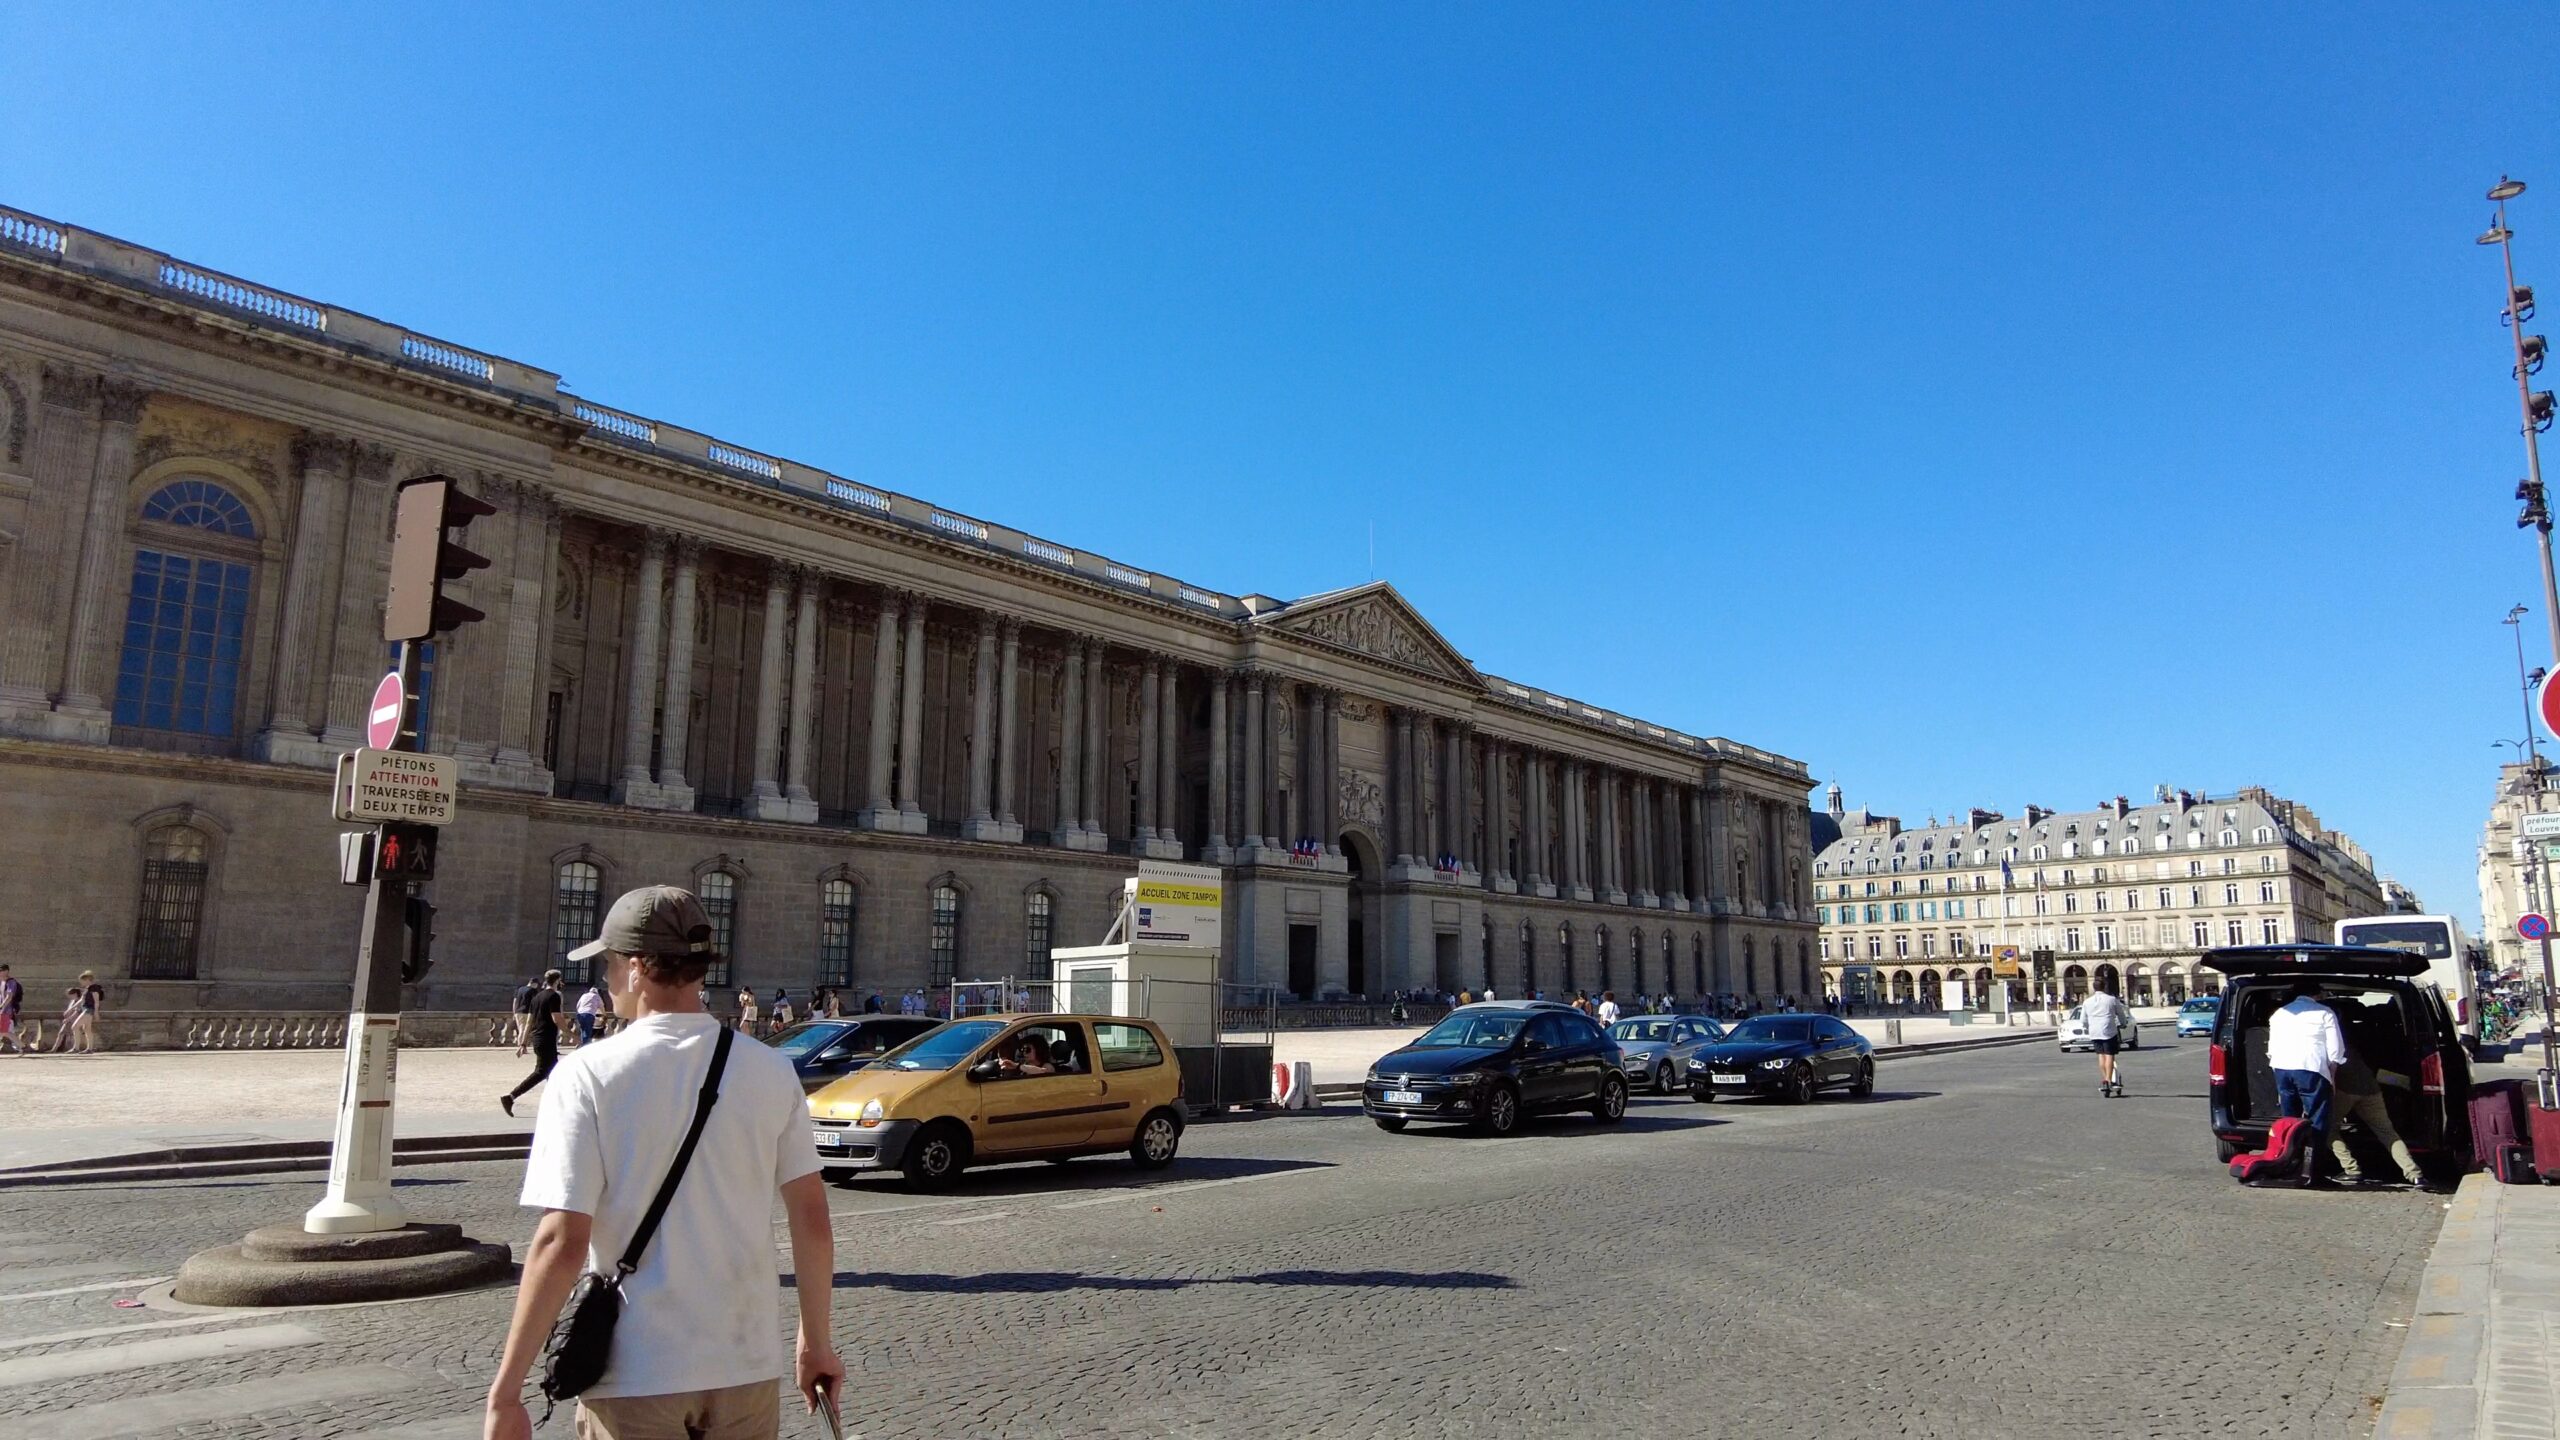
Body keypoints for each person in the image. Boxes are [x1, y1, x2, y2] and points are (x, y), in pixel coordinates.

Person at [483, 885, 842, 1440]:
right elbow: (812, 1221)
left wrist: (507, 1392)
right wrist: (815, 1341)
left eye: (607, 964)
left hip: (638, 1371)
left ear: (634, 969)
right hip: (745, 1368)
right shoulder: (769, 1070)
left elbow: (561, 1242)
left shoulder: (587, 1075)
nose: (604, 979)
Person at [2266, 982, 2346, 1166]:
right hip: (2312, 1067)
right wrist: (2332, 1075)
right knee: (2317, 1118)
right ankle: (2312, 1166)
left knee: (2289, 1118)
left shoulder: (2280, 1013)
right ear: (2317, 995)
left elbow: (2271, 1048)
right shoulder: (2324, 1012)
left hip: (2282, 1067)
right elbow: (2335, 1050)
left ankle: (2289, 1160)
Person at [2329, 1048, 2426, 1189]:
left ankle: (2351, 1169)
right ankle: (2415, 1175)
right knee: (2387, 1132)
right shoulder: (2348, 1047)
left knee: (2328, 1128)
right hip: (2371, 1089)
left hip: (2345, 1089)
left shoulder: (2323, 1043)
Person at [500, 971, 565, 1117]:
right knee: (541, 1072)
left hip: (538, 1038)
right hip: (546, 1038)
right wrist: (572, 1034)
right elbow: (557, 1019)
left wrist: (523, 1043)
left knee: (552, 1071)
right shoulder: (553, 996)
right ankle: (510, 1097)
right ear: (557, 981)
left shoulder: (537, 997)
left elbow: (529, 1022)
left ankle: (556, 1104)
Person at [2082, 976, 2130, 1097]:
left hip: (2094, 1031)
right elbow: (2121, 1014)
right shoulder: (2111, 999)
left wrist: (2088, 1027)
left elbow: (2083, 1019)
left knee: (2100, 1055)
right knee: (2109, 1055)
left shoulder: (2087, 1002)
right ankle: (2108, 1080)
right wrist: (2123, 1024)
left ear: (2094, 988)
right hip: (2108, 1030)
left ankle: (2104, 1079)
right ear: (2104, 987)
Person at [72, 971, 102, 1053]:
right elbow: (82, 999)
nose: (81, 982)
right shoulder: (87, 989)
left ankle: (76, 1048)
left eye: (82, 980)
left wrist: (96, 1013)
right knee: (87, 1029)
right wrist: (71, 1008)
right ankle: (89, 1049)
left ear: (87, 980)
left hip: (89, 1010)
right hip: (86, 1009)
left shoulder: (94, 988)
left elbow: (96, 1001)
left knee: (75, 1027)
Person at [574, 982, 608, 1046]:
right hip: (589, 1014)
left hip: (580, 1014)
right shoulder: (596, 996)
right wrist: (605, 1015)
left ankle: (582, 1044)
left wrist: (578, 1013)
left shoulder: (584, 995)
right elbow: (602, 1006)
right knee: (588, 1032)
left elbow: (577, 1005)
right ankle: (585, 1047)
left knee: (583, 1030)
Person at [512, 976, 538, 1056]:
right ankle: (522, 1047)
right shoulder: (533, 991)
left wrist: (514, 1012)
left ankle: (520, 1046)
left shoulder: (520, 989)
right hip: (527, 1012)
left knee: (521, 1029)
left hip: (518, 1011)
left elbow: (515, 1001)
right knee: (525, 1030)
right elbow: (535, 1002)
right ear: (534, 983)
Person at [0, 963, 21, 1055]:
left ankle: (22, 1046)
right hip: (3, 1010)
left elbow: (9, 996)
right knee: (6, 1031)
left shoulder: (11, 982)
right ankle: (22, 1046)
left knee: (5, 1031)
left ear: (6, 971)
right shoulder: (2, 982)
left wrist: (1, 1006)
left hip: (6, 1010)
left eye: (1, 971)